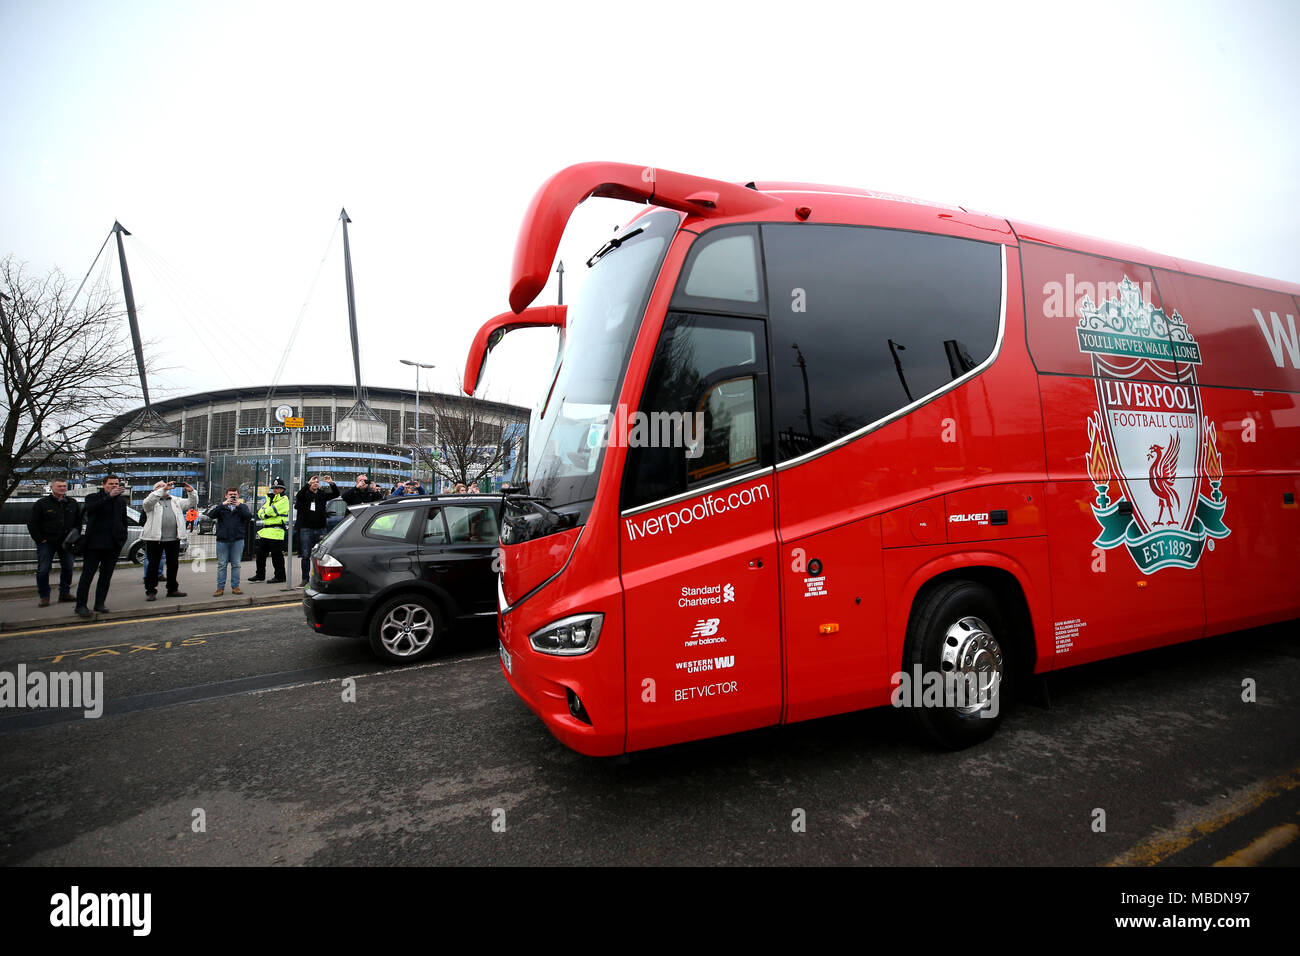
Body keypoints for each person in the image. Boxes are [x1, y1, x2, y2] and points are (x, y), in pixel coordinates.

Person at [74, 474, 130, 618]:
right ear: (103, 484)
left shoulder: (120, 502)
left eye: (116, 484)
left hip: (113, 544)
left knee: (106, 576)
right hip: (94, 544)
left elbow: (123, 521)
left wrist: (122, 538)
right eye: (111, 483)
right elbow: (92, 509)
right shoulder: (93, 497)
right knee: (87, 575)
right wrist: (108, 497)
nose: (114, 486)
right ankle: (81, 605)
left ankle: (100, 603)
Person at [27, 478, 81, 607]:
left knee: (68, 567)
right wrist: (40, 539)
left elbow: (78, 522)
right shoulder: (42, 504)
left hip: (66, 542)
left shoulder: (72, 503)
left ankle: (64, 593)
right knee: (43, 569)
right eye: (59, 486)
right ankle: (44, 596)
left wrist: (74, 536)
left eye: (64, 486)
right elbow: (32, 523)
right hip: (47, 542)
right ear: (52, 487)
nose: (62, 488)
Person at [141, 479, 197, 600]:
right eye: (159, 486)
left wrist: (191, 491)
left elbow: (191, 503)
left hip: (173, 538)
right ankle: (151, 591)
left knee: (173, 565)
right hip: (154, 539)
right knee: (153, 566)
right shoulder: (151, 503)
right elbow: (148, 502)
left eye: (165, 486)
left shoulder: (175, 500)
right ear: (154, 490)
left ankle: (172, 589)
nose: (164, 487)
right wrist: (163, 489)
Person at [206, 487, 252, 596]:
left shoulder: (242, 507)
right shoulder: (221, 507)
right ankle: (220, 588)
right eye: (231, 494)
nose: (233, 496)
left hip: (237, 539)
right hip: (223, 540)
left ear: (238, 496)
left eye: (235, 494)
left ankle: (235, 586)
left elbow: (248, 517)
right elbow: (211, 515)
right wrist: (222, 504)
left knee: (236, 564)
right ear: (226, 495)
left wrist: (239, 506)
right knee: (222, 565)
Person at [294, 474, 339, 585]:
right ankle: (305, 579)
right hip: (306, 528)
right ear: (309, 483)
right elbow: (299, 496)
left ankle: (320, 579)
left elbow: (336, 494)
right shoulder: (304, 495)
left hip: (320, 528)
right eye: (313, 482)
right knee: (305, 555)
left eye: (317, 482)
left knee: (321, 555)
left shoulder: (321, 494)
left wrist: (331, 483)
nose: (315, 483)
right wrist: (307, 484)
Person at [248, 478, 290, 583]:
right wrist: (266, 513)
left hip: (276, 531)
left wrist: (266, 513)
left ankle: (280, 577)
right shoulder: (269, 499)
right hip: (266, 531)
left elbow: (272, 510)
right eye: (274, 488)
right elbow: (260, 512)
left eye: (278, 488)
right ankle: (260, 575)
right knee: (260, 555)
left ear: (282, 489)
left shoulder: (284, 499)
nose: (275, 490)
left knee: (277, 556)